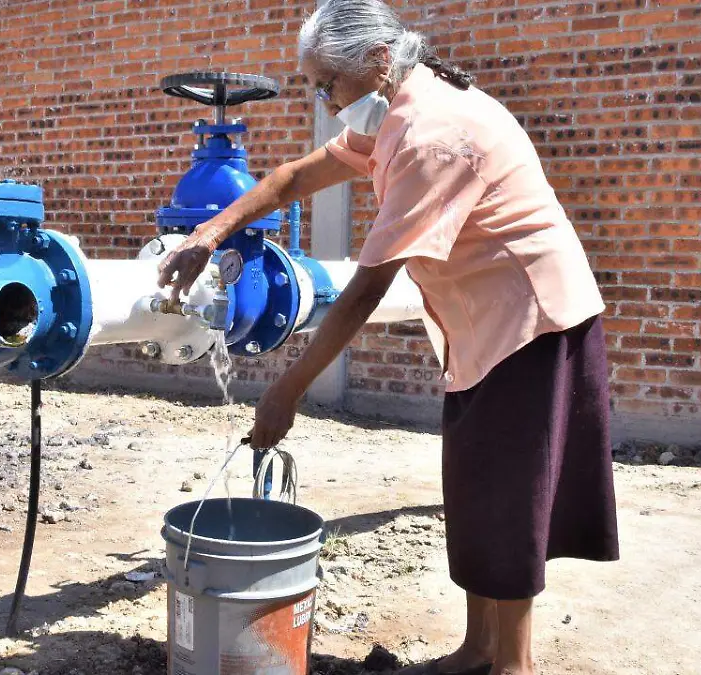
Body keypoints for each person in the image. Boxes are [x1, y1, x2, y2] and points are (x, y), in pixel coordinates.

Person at [156, 1, 620, 673]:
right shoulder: (393, 107)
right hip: (480, 327)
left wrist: (287, 391)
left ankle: (512, 663)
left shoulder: (432, 134)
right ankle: (476, 649)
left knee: (510, 498)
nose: (323, 100)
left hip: (532, 324)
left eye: (327, 83)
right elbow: (294, 177)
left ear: (375, 62)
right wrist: (210, 232)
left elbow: (365, 290)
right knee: (476, 487)